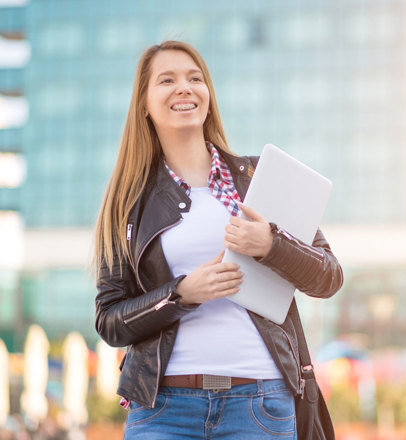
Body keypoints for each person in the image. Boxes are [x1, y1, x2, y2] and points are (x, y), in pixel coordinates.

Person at [93, 40, 343, 439]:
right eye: (167, 80)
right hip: (163, 409)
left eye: (195, 78)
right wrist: (181, 294)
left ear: (208, 95)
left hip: (259, 403)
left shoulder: (259, 179)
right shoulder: (129, 203)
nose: (184, 88)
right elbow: (109, 320)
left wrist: (271, 245)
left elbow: (328, 276)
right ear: (144, 103)